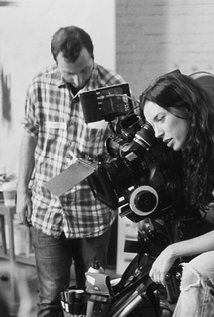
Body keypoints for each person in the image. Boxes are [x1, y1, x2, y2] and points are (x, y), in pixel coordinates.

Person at [16, 25, 126, 316]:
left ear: (93, 56)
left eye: (84, 69)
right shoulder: (40, 85)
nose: (79, 79)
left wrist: (96, 145)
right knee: (50, 298)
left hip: (93, 214)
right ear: (56, 63)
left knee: (96, 295)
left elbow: (124, 152)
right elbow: (29, 137)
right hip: (48, 211)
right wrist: (21, 193)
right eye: (69, 73)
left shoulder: (113, 87)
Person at [139, 69, 214, 316]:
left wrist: (174, 250)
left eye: (160, 118)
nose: (157, 132)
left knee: (197, 270)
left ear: (186, 108)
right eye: (152, 124)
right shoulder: (199, 146)